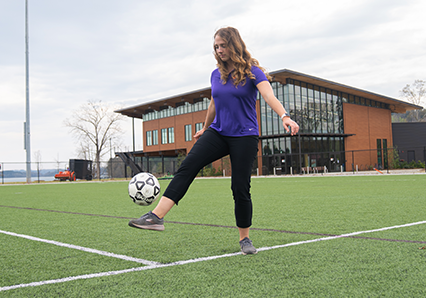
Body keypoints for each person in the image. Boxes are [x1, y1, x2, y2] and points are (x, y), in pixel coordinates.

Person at [128, 26, 299, 255]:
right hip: (218, 131)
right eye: (216, 47)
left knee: (240, 187)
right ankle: (156, 217)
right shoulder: (215, 74)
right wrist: (205, 127)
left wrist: (284, 116)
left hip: (245, 135)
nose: (219, 50)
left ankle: (245, 239)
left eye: (223, 46)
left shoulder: (252, 71)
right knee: (188, 165)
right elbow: (214, 102)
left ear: (234, 45)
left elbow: (269, 96)